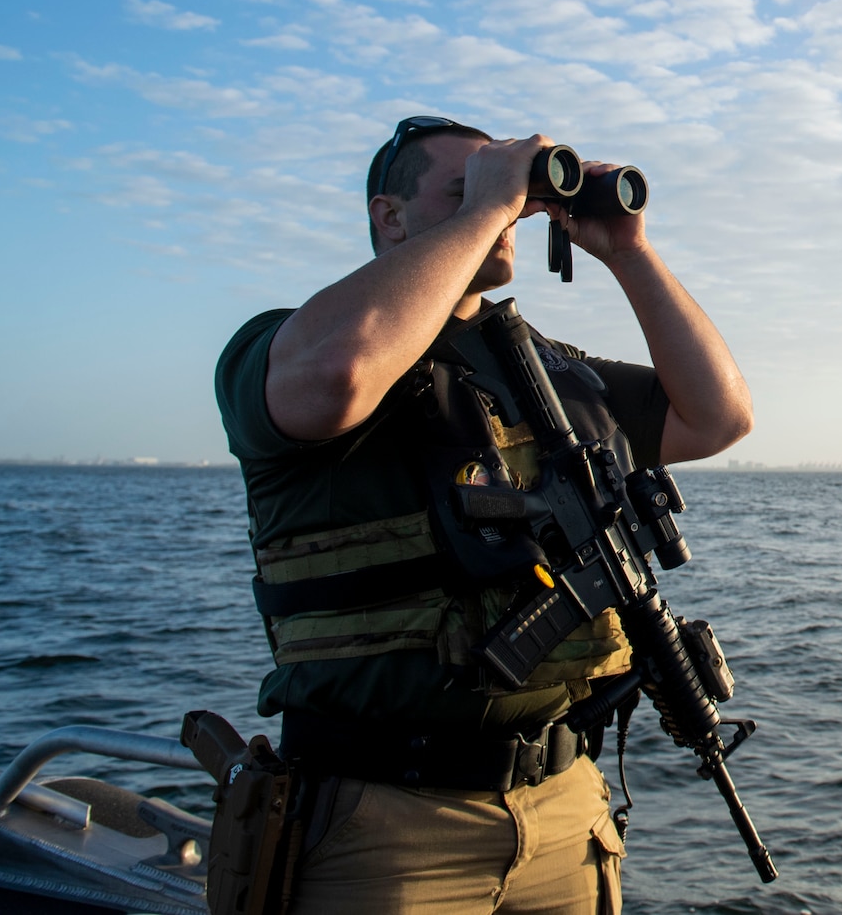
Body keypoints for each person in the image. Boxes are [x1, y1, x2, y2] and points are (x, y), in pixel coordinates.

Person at [214, 115, 753, 915]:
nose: (505, 208)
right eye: (463, 188)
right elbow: (335, 374)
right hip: (387, 824)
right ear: (389, 217)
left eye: (507, 190)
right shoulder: (298, 345)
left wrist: (628, 251)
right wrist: (487, 210)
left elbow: (718, 415)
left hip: (563, 806)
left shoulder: (553, 374)